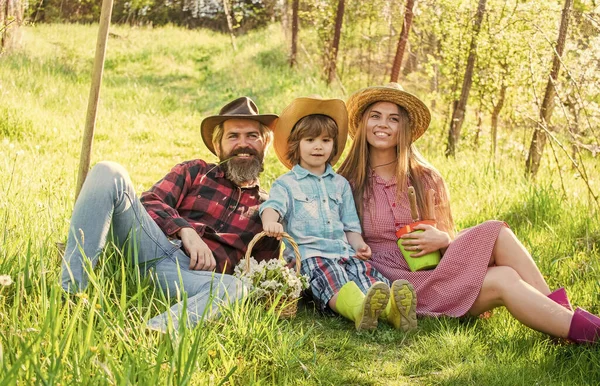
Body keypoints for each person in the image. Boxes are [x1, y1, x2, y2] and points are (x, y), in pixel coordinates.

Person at [337, 82, 600, 343]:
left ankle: (568, 326)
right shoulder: (344, 183)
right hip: (397, 284)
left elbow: (446, 245)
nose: (383, 124)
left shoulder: (425, 177)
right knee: (503, 277)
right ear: (362, 124)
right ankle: (579, 329)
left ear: (403, 128)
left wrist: (444, 240)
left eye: (393, 119)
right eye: (375, 116)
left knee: (498, 236)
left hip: (438, 271)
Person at [61, 97, 280, 332]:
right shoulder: (195, 172)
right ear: (218, 146)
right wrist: (185, 229)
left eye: (252, 136)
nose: (242, 144)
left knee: (237, 288)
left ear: (264, 144)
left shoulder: (268, 209)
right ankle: (71, 294)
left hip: (192, 278)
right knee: (108, 171)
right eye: (233, 136)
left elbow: (268, 270)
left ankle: (153, 333)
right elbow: (150, 202)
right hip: (151, 247)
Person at [260, 96, 417, 331]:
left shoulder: (341, 184)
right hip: (311, 256)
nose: (318, 146)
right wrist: (271, 222)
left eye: (325, 140)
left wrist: (360, 245)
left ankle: (393, 310)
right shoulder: (287, 184)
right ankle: (358, 310)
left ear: (334, 145)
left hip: (344, 253)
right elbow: (271, 207)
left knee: (368, 275)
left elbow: (350, 226)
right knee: (332, 277)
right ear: (296, 144)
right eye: (310, 140)